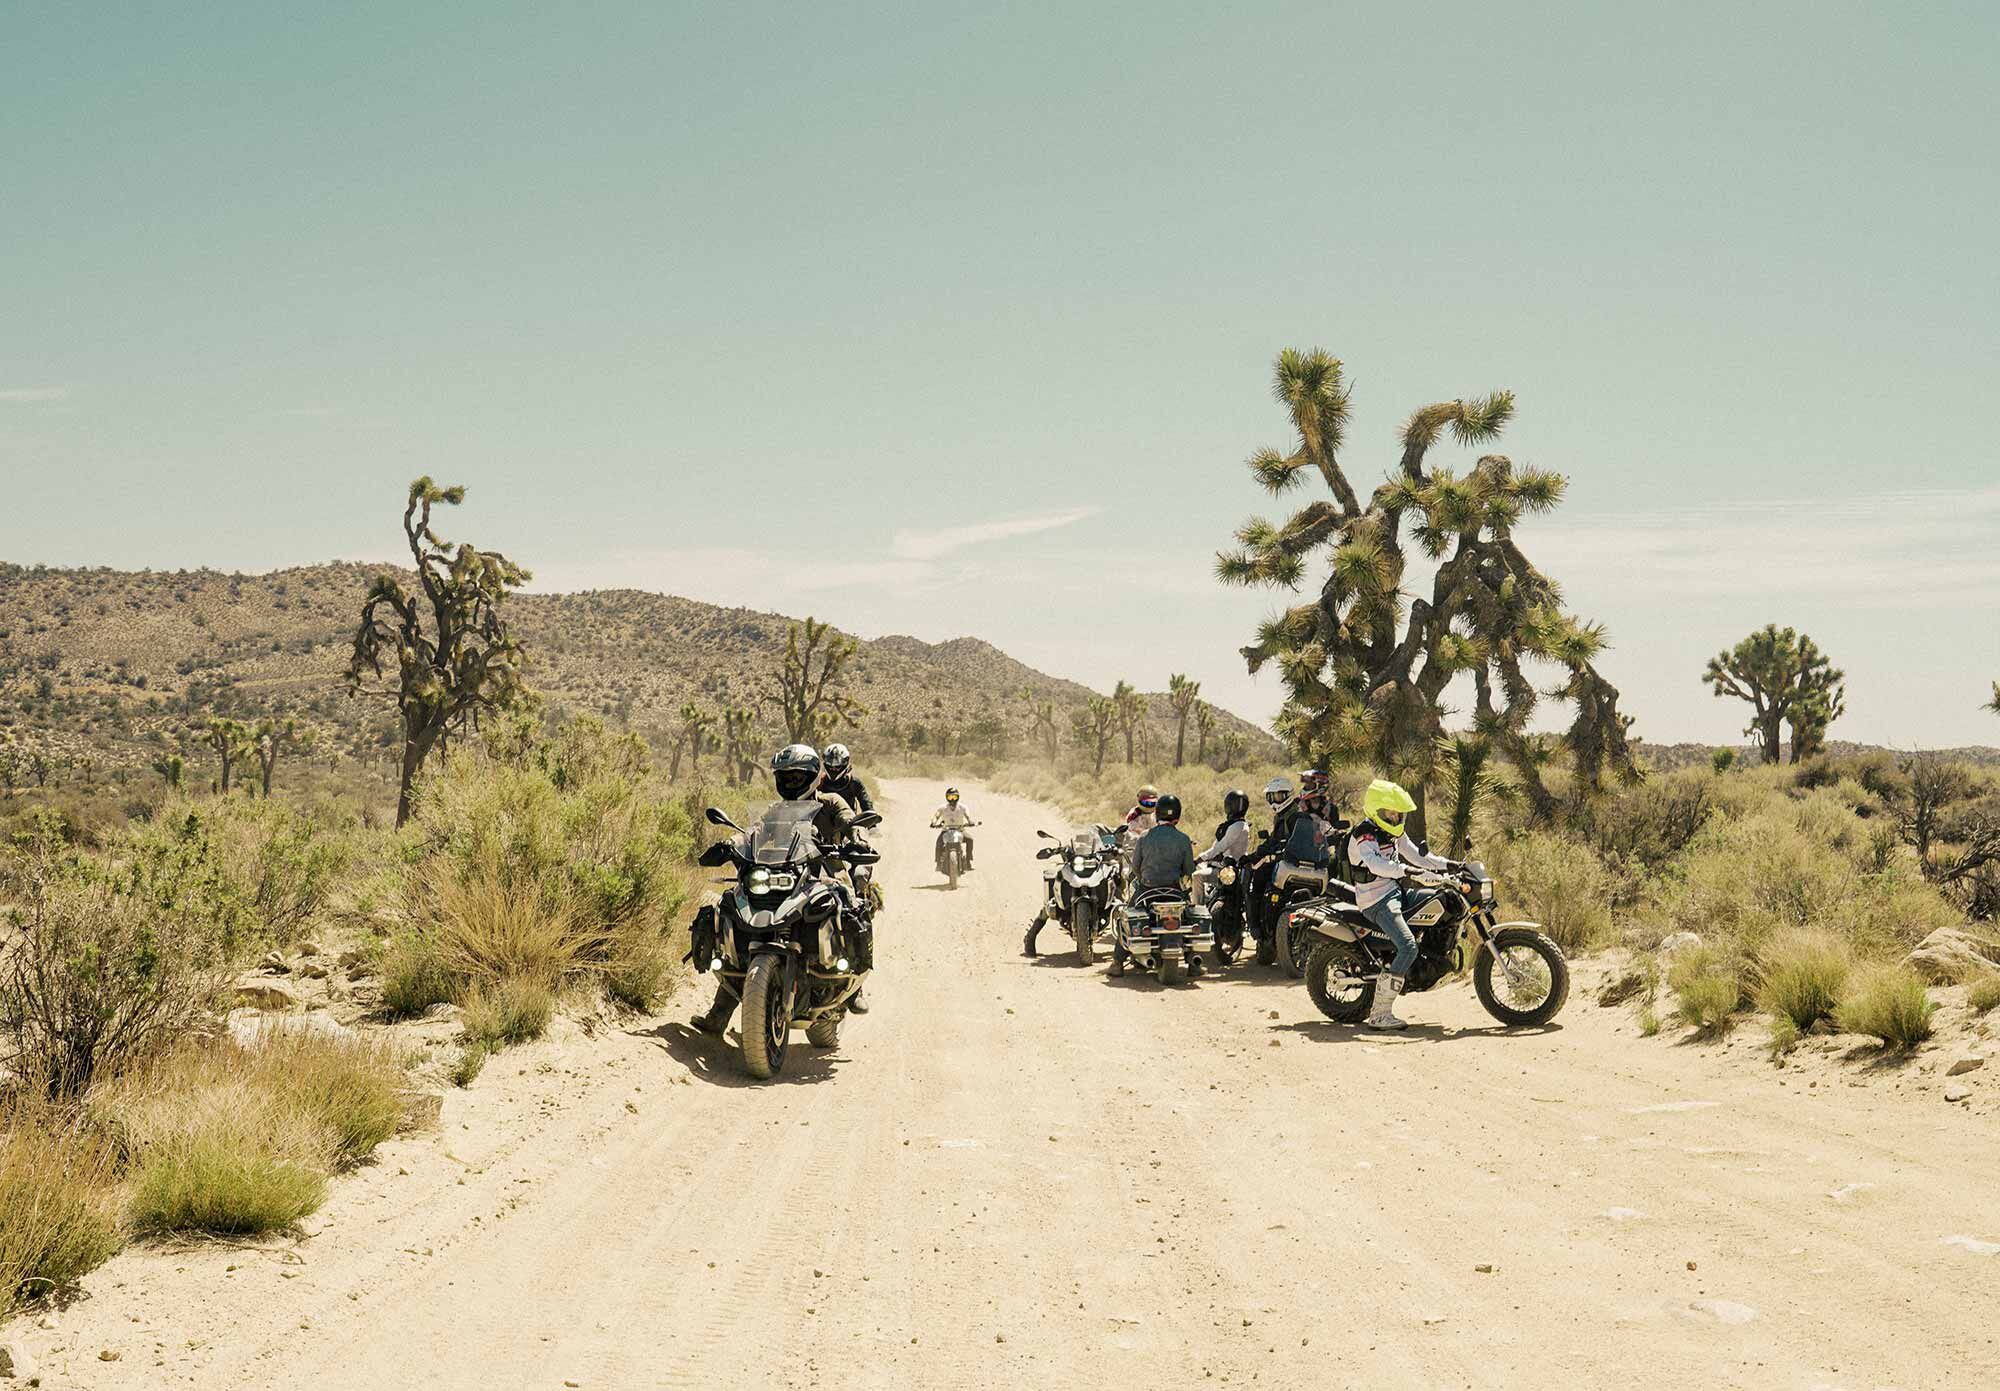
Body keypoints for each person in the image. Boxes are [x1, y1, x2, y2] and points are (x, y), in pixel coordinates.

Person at [691, 744, 863, 1034]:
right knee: (736, 911)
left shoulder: (830, 801)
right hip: (786, 872)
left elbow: (848, 820)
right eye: (785, 777)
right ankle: (719, 1015)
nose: (791, 782)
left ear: (811, 776)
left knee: (850, 904)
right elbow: (755, 830)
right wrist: (732, 844)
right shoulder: (777, 810)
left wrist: (855, 836)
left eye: (797, 776)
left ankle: (854, 989)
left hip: (827, 870)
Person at [1347, 778, 1453, 1030]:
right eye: (1390, 813)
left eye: (1397, 814)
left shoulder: (1393, 831)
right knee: (1407, 946)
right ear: (1376, 811)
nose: (1395, 818)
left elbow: (1418, 855)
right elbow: (1376, 865)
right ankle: (1380, 1014)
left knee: (1441, 901)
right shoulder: (1364, 834)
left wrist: (1450, 865)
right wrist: (1407, 871)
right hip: (1376, 901)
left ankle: (1427, 966)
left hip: (1395, 892)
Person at [1128, 793, 1195, 896]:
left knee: (1130, 907)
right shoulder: (1184, 839)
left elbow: (1135, 867)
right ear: (1177, 816)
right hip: (1174, 891)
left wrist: (1145, 880)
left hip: (1147, 890)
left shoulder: (1143, 836)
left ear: (1157, 813)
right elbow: (1189, 869)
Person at [1194, 788, 1251, 906]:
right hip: (1228, 867)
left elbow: (1219, 847)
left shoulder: (1237, 826)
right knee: (1201, 867)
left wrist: (1200, 858)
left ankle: (1198, 908)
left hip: (1226, 871)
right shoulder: (1240, 824)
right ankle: (1208, 900)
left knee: (1197, 876)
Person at [819, 742, 873, 815]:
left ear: (845, 763)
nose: (833, 769)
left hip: (848, 823)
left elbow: (867, 806)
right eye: (830, 766)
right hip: (820, 824)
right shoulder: (818, 782)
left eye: (837, 767)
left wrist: (872, 821)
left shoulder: (854, 783)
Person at [932, 786, 976, 871]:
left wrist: (971, 821)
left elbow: (968, 816)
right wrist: (933, 822)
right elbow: (936, 815)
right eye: (950, 797)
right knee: (938, 843)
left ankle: (968, 861)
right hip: (946, 831)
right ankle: (938, 864)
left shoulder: (963, 807)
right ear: (946, 797)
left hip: (960, 830)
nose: (952, 799)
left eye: (954, 797)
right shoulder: (943, 808)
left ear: (958, 797)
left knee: (970, 839)